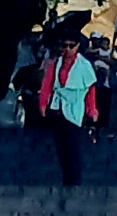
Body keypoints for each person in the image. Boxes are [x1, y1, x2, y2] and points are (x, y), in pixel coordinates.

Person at [39, 26, 95, 185]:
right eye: (65, 46)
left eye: (71, 46)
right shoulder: (57, 63)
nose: (68, 49)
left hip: (75, 109)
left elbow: (90, 90)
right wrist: (43, 103)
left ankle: (74, 180)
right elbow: (47, 84)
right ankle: (66, 178)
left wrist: (92, 110)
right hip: (58, 108)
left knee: (73, 146)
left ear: (78, 46)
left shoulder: (84, 65)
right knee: (61, 147)